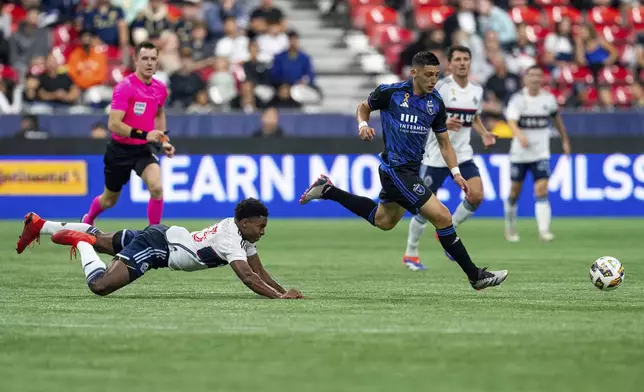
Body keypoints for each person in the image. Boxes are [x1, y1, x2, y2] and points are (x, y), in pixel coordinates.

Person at [299, 51, 508, 291]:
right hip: (394, 169)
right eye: (428, 75)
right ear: (414, 73)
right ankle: (475, 276)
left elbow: (444, 143)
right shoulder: (391, 93)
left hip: (412, 170)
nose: (432, 80)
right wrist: (363, 124)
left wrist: (456, 173)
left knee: (384, 221)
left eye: (436, 75)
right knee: (443, 217)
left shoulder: (435, 103)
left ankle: (327, 191)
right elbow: (363, 107)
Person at [15, 198, 303, 300]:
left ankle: (40, 224)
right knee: (100, 286)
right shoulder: (231, 239)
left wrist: (283, 289)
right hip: (157, 248)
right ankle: (81, 242)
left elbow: (259, 270)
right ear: (245, 222)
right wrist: (279, 298)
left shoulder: (241, 233)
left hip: (165, 234)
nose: (263, 232)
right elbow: (249, 278)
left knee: (102, 237)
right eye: (260, 226)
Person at [403, 46, 497, 271]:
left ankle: (448, 230)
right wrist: (442, 123)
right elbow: (422, 112)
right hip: (436, 155)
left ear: (470, 62)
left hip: (463, 153)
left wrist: (483, 132)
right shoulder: (441, 87)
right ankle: (411, 253)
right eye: (458, 59)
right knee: (425, 208)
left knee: (476, 195)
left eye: (466, 59)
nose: (462, 63)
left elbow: (472, 117)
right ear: (450, 64)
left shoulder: (476, 89)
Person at [81, 41, 174, 226]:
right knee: (109, 200)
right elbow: (114, 124)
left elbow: (159, 113)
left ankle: (153, 234)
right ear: (136, 61)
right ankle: (88, 219)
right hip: (120, 151)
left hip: (143, 150)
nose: (149, 63)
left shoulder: (160, 88)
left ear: (157, 63)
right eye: (144, 58)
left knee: (156, 187)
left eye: (153, 59)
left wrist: (163, 140)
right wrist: (144, 135)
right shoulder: (125, 87)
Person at [504, 65, 570, 242]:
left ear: (542, 79)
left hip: (541, 153)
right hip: (520, 153)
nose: (535, 79)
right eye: (531, 75)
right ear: (525, 79)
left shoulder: (548, 99)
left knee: (541, 189)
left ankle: (543, 230)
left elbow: (557, 119)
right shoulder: (518, 99)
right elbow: (511, 121)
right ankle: (510, 227)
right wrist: (519, 135)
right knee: (514, 192)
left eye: (538, 75)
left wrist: (565, 139)